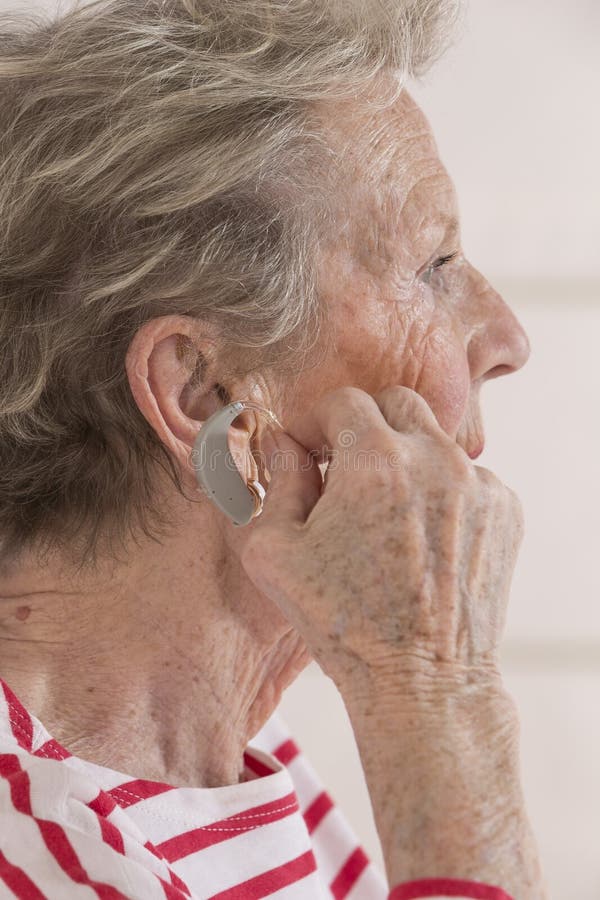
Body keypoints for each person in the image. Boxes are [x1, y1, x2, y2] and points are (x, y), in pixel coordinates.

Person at [0, 1, 548, 898]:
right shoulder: (44, 851)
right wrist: (435, 689)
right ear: (202, 393)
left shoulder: (230, 770)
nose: (507, 336)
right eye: (433, 266)